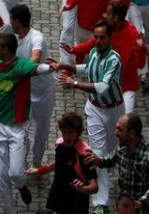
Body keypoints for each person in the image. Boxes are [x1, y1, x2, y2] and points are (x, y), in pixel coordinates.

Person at [53, 20, 124, 212]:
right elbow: (87, 69)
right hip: (94, 109)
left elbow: (102, 87)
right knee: (98, 154)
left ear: (110, 38)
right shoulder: (93, 52)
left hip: (114, 110)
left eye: (102, 37)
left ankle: (121, 182)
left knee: (115, 151)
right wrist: (63, 65)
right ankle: (101, 204)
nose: (98, 40)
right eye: (96, 36)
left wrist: (74, 84)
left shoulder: (114, 60)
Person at [0, 32, 54, 213]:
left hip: (18, 128)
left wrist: (51, 67)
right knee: (1, 175)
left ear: (5, 50)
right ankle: (10, 210)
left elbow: (38, 69)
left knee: (15, 173)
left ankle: (21, 186)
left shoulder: (22, 65)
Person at [69, 0, 147, 113]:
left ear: (116, 17)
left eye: (108, 13)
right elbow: (91, 43)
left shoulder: (132, 33)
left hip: (126, 86)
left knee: (126, 117)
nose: (104, 15)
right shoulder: (106, 30)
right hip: (107, 83)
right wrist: (74, 50)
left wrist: (141, 49)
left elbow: (140, 63)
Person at [89, 113, 149, 214]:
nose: (116, 133)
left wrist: (141, 202)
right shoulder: (122, 147)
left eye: (120, 129)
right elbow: (111, 159)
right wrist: (99, 160)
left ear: (132, 133)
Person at [26, 111, 98, 214]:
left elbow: (94, 186)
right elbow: (59, 162)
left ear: (78, 132)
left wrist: (84, 188)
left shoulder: (84, 153)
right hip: (56, 196)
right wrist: (40, 171)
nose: (67, 137)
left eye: (70, 132)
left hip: (76, 202)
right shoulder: (59, 144)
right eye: (64, 132)